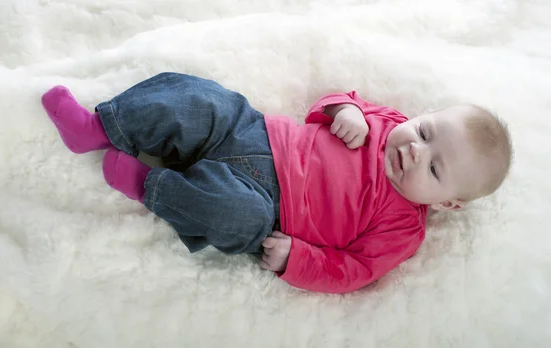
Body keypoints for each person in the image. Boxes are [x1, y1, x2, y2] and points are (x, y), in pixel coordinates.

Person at [41, 72, 512, 293]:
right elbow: (337, 97)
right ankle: (101, 128)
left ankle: (151, 185)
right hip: (252, 129)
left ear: (449, 204)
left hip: (266, 204)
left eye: (434, 168)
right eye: (426, 132)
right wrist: (343, 110)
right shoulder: (386, 123)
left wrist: (299, 259)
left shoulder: (403, 229)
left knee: (231, 215)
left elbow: (352, 271)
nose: (415, 150)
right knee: (199, 98)